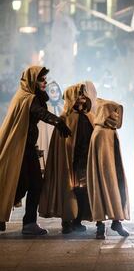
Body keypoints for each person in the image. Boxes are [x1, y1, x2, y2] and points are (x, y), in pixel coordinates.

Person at [0, 66, 71, 234]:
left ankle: (26, 222)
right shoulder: (28, 98)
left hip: (25, 148)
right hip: (22, 149)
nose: (44, 82)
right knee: (30, 184)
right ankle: (29, 223)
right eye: (41, 79)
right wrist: (58, 122)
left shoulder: (23, 96)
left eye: (45, 79)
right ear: (33, 80)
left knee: (24, 184)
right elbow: (40, 113)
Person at [39, 83, 95, 234]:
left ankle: (78, 220)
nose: (83, 96)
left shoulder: (89, 116)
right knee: (70, 190)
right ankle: (67, 221)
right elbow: (62, 145)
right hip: (71, 163)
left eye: (83, 93)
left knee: (83, 191)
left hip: (85, 161)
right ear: (72, 97)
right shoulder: (65, 118)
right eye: (79, 94)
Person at [87, 98, 130, 239]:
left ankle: (116, 222)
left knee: (118, 193)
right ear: (105, 113)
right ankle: (100, 226)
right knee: (101, 193)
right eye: (114, 113)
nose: (116, 116)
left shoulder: (111, 130)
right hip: (103, 173)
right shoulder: (99, 132)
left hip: (114, 171)